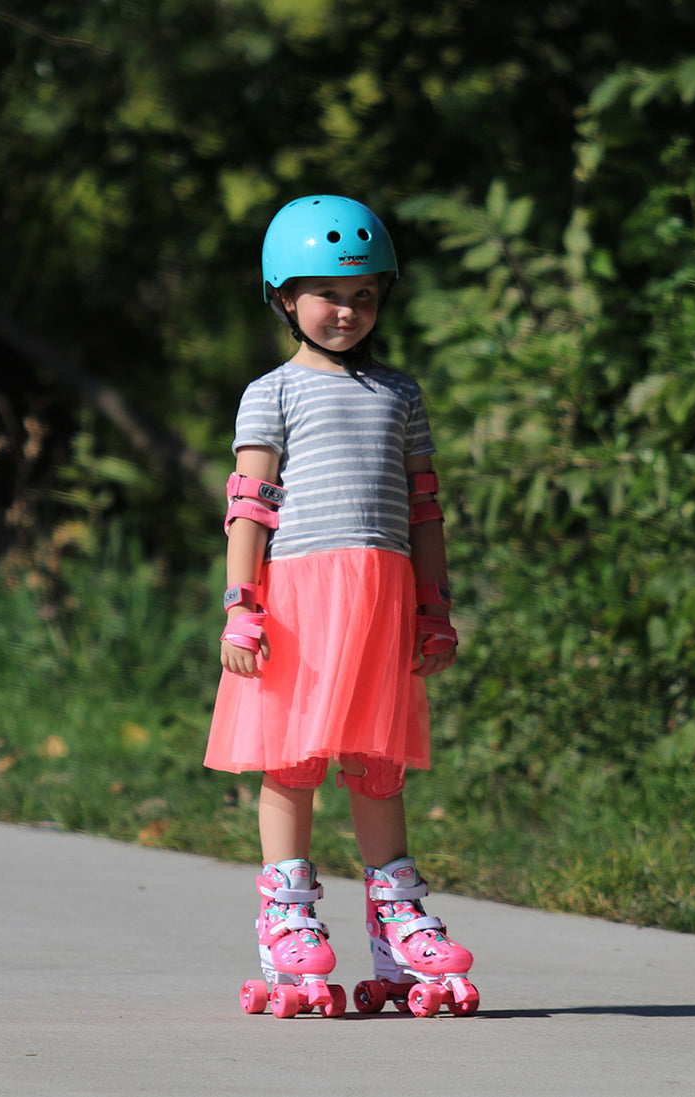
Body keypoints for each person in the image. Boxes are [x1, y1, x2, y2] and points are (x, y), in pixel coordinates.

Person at [206, 194, 478, 1019]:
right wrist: (240, 605)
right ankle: (285, 915)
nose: (347, 310)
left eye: (363, 294)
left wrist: (433, 605)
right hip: (298, 597)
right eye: (326, 293)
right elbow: (249, 504)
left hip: (383, 596)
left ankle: (397, 920)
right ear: (284, 298)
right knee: (291, 759)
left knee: (377, 760)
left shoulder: (401, 393)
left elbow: (424, 504)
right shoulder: (272, 392)